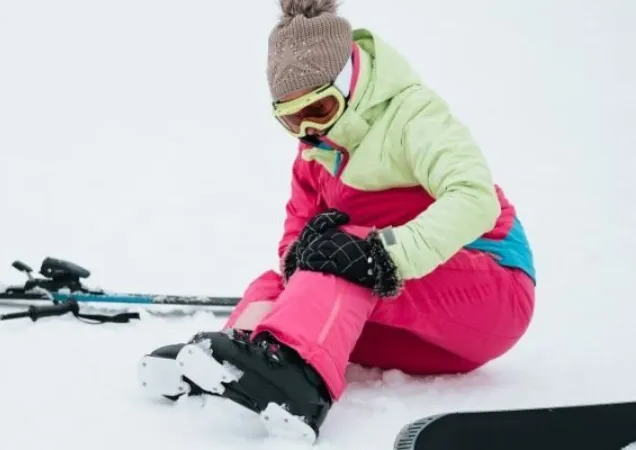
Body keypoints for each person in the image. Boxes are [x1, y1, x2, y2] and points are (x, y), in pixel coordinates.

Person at [136, 0, 536, 442]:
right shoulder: (314, 153)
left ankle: (298, 383)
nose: (309, 130)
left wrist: (383, 255)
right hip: (416, 327)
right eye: (292, 119)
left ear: (349, 84)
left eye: (320, 110)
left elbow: (475, 199)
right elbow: (294, 233)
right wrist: (299, 257)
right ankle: (233, 361)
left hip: (490, 292)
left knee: (339, 257)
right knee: (281, 277)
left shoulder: (413, 115)